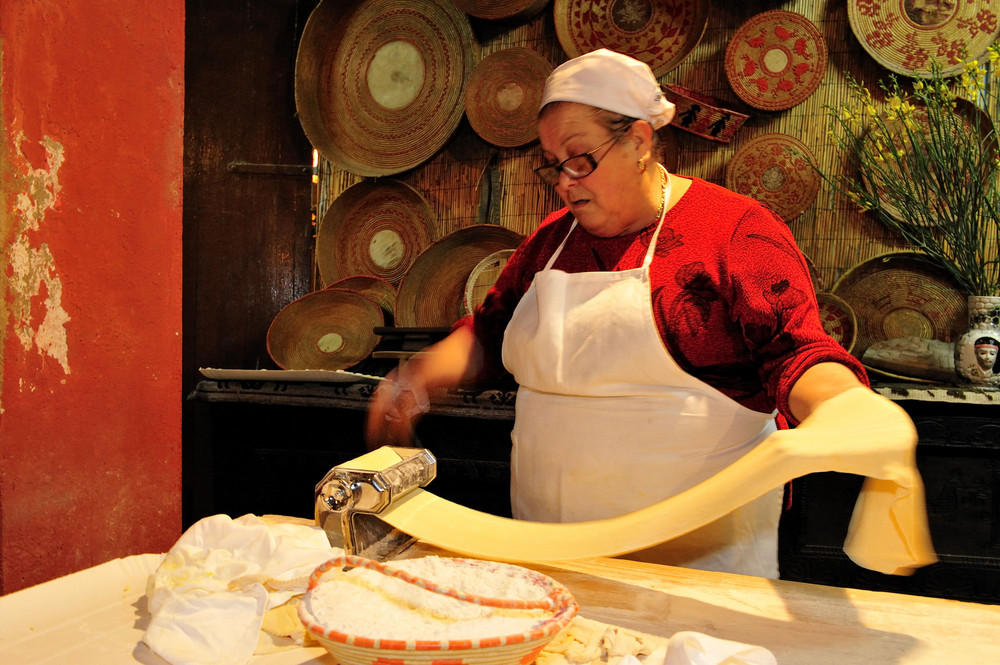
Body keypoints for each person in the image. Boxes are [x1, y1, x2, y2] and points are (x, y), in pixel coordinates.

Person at [366, 49, 897, 578]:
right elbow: (489, 331)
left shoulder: (732, 233)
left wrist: (844, 404)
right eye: (552, 164)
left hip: (700, 564)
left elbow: (796, 352)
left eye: (579, 158)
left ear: (639, 142)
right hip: (550, 549)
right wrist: (421, 375)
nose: (564, 181)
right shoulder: (549, 244)